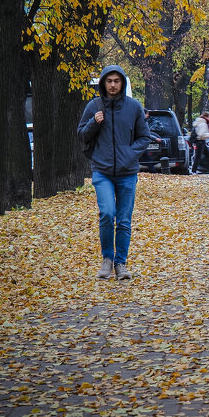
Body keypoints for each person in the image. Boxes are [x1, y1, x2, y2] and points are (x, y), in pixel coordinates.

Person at [78, 65, 153, 281]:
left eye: (116, 81)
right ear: (103, 83)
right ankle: (107, 259)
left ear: (122, 83)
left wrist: (130, 153)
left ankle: (121, 264)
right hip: (102, 171)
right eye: (109, 81)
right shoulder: (94, 106)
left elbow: (144, 137)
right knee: (107, 213)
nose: (112, 85)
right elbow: (82, 135)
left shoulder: (133, 107)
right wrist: (94, 122)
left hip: (127, 172)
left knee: (123, 220)